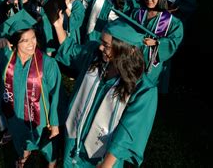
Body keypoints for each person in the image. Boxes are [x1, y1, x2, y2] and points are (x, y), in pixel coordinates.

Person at [53, 13, 157, 167]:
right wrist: (58, 26)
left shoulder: (143, 89)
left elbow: (129, 132)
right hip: (74, 139)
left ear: (127, 50)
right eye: (102, 42)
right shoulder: (96, 58)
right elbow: (71, 51)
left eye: (107, 45)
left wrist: (107, 164)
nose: (101, 47)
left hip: (103, 156)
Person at [0, 10, 62, 167]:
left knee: (47, 148)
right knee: (20, 142)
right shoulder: (6, 57)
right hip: (15, 116)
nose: (31, 43)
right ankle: (24, 155)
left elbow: (56, 95)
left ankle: (51, 164)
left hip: (41, 120)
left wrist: (54, 124)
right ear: (14, 43)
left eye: (33, 38)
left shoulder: (48, 64)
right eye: (25, 40)